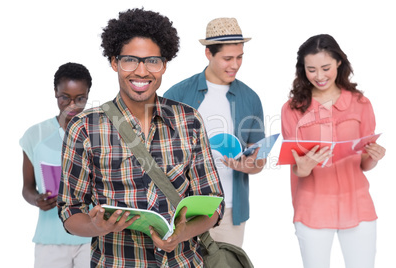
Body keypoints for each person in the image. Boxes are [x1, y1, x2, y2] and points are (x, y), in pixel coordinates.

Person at [57, 8, 224, 267]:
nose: (142, 71)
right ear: (114, 62)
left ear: (164, 64)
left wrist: (181, 234)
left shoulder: (189, 120)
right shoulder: (84, 127)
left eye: (152, 61)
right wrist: (96, 226)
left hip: (182, 261)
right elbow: (70, 210)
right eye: (130, 60)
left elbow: (212, 205)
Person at [281, 34, 386, 268]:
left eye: (326, 68)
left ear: (339, 63)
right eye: (311, 70)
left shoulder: (361, 103)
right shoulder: (293, 109)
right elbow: (296, 166)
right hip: (312, 206)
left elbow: (364, 163)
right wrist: (304, 167)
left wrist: (374, 157)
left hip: (358, 204)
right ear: (303, 70)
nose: (319, 76)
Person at [164, 17, 265, 248]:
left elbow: (258, 159)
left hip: (230, 211)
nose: (235, 65)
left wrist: (248, 165)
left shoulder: (250, 98)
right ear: (209, 54)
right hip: (184, 209)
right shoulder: (178, 94)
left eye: (240, 57)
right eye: (227, 58)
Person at [20, 62, 92, 268]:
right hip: (50, 239)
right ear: (55, 93)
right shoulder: (36, 135)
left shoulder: (98, 133)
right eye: (64, 98)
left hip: (91, 237)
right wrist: (37, 200)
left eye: (80, 98)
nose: (72, 105)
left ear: (87, 95)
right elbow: (27, 188)